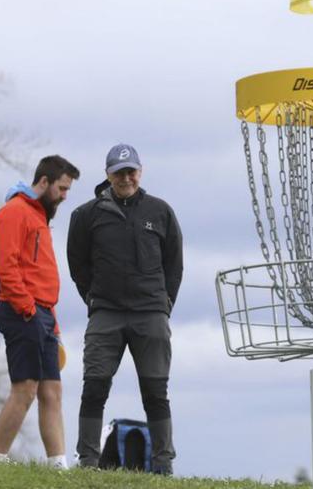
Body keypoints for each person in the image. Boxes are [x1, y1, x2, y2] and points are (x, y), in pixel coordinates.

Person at [67, 143, 183, 474]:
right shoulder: (87, 215)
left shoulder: (160, 211)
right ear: (108, 175)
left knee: (156, 392)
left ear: (140, 172)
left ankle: (163, 465)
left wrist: (164, 304)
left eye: (131, 171)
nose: (126, 178)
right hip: (106, 313)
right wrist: (93, 298)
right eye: (119, 173)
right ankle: (88, 461)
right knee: (94, 387)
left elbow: (174, 264)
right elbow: (78, 264)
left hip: (151, 314)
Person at [0, 155, 80, 468]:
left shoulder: (40, 215)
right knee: (25, 389)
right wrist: (28, 309)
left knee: (52, 391)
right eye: (62, 188)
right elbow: (6, 266)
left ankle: (58, 466)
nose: (65, 196)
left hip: (43, 315)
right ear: (44, 182)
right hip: (21, 312)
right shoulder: (15, 211)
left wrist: (51, 323)